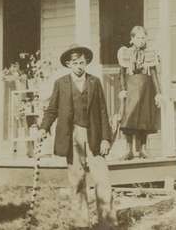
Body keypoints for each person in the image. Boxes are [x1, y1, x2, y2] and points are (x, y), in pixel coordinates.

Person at [40, 43, 115, 228]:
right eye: (75, 62)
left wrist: (106, 138)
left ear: (86, 62)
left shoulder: (95, 82)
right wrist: (43, 128)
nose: (79, 66)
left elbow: (103, 111)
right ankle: (80, 223)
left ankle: (107, 223)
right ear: (68, 64)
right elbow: (52, 110)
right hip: (72, 135)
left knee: (103, 179)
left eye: (82, 62)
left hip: (94, 135)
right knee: (77, 180)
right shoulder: (61, 84)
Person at [116, 25, 162, 159]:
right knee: (128, 117)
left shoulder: (150, 53)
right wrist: (123, 89)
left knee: (144, 118)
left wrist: (158, 92)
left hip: (146, 88)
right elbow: (122, 74)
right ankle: (128, 149)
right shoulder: (125, 53)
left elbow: (154, 74)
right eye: (138, 37)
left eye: (143, 37)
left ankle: (143, 148)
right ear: (132, 39)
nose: (141, 40)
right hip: (131, 88)